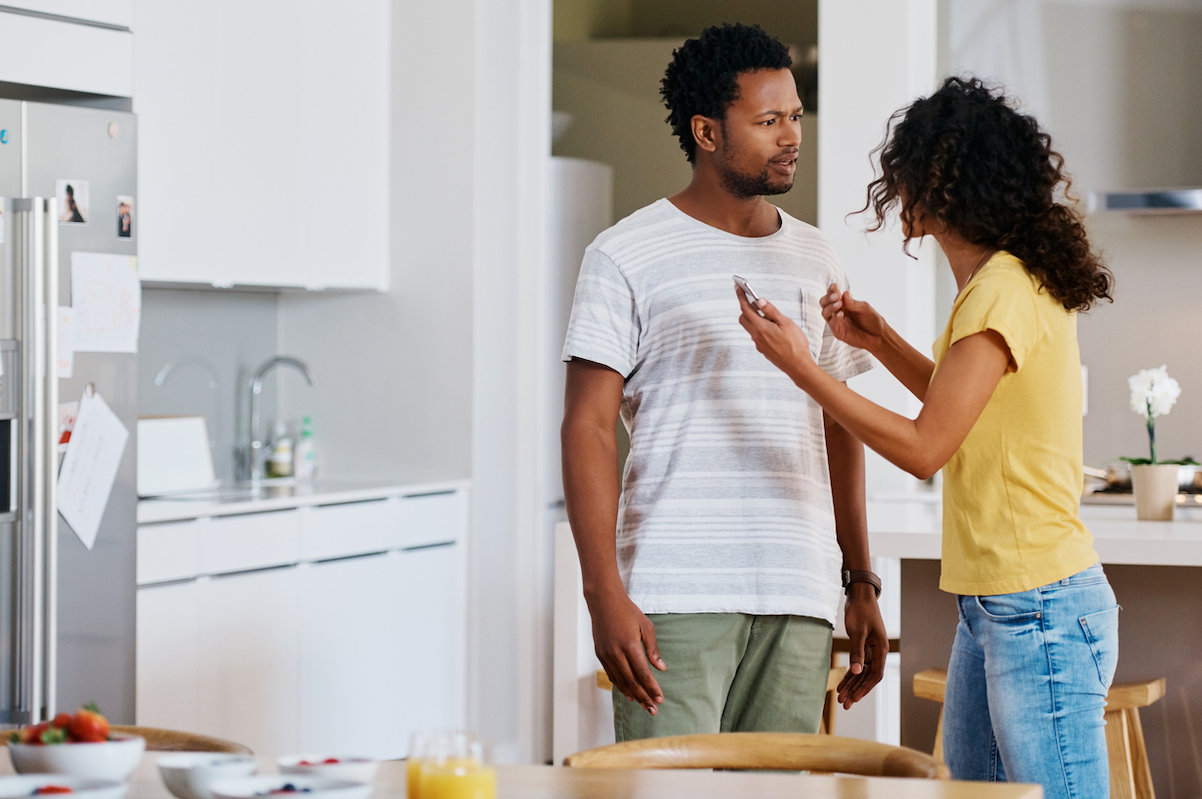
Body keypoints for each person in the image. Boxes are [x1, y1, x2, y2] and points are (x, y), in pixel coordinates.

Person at [736, 77, 1118, 798]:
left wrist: (803, 367)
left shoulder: (1001, 289)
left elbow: (924, 445)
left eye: (909, 168)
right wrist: (879, 342)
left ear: (947, 182)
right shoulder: (1001, 284)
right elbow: (962, 405)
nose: (897, 185)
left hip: (1037, 605)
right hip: (998, 603)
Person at [560, 22, 889, 743]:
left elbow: (840, 423)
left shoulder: (815, 255)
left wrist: (859, 580)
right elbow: (586, 426)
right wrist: (602, 592)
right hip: (674, 592)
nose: (791, 135)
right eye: (768, 120)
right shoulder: (624, 254)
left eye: (795, 116)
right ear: (706, 132)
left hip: (798, 588)